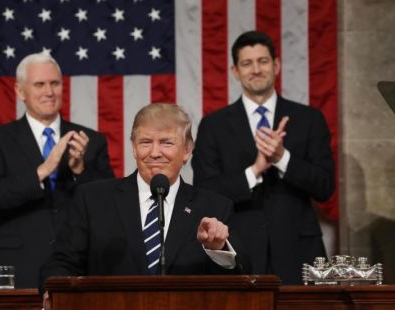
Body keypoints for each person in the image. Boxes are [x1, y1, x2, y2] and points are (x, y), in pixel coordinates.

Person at [39, 103, 244, 304]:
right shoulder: (93, 199)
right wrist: (52, 292)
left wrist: (218, 249)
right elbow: (61, 263)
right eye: (145, 142)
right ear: (134, 148)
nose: (155, 152)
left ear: (187, 151)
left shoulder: (214, 207)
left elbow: (241, 279)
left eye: (167, 143)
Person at [191, 31, 335, 284]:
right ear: (235, 71)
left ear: (276, 65)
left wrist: (282, 158)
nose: (256, 69)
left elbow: (325, 187)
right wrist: (254, 171)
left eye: (263, 61)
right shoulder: (213, 125)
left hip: (299, 251)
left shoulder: (309, 119)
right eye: (247, 63)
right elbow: (205, 190)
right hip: (239, 250)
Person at [0, 53, 114, 289]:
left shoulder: (90, 140)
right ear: (20, 92)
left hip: (75, 266)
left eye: (55, 83)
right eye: (40, 84)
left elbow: (108, 205)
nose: (49, 92)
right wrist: (41, 171)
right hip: (16, 266)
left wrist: (80, 171)